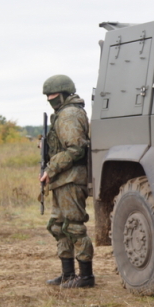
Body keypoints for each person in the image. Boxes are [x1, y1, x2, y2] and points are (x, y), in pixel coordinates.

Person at [40, 74, 95, 288]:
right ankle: (68, 274)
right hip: (61, 179)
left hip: (71, 179)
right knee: (57, 226)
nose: (49, 99)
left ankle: (86, 276)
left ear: (63, 93)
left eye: (52, 94)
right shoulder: (62, 113)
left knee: (73, 226)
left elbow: (76, 148)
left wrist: (51, 168)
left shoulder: (69, 114)